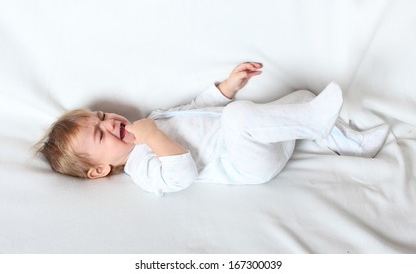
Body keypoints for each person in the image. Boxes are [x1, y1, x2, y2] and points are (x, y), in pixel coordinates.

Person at [37, 62, 389, 196]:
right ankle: (312, 121)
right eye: (100, 134)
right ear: (100, 170)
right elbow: (182, 176)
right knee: (237, 117)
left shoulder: (153, 119)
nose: (109, 122)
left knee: (298, 97)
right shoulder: (141, 167)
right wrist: (152, 138)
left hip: (267, 141)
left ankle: (353, 144)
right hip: (249, 166)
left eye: (101, 115)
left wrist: (227, 87)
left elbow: (196, 111)